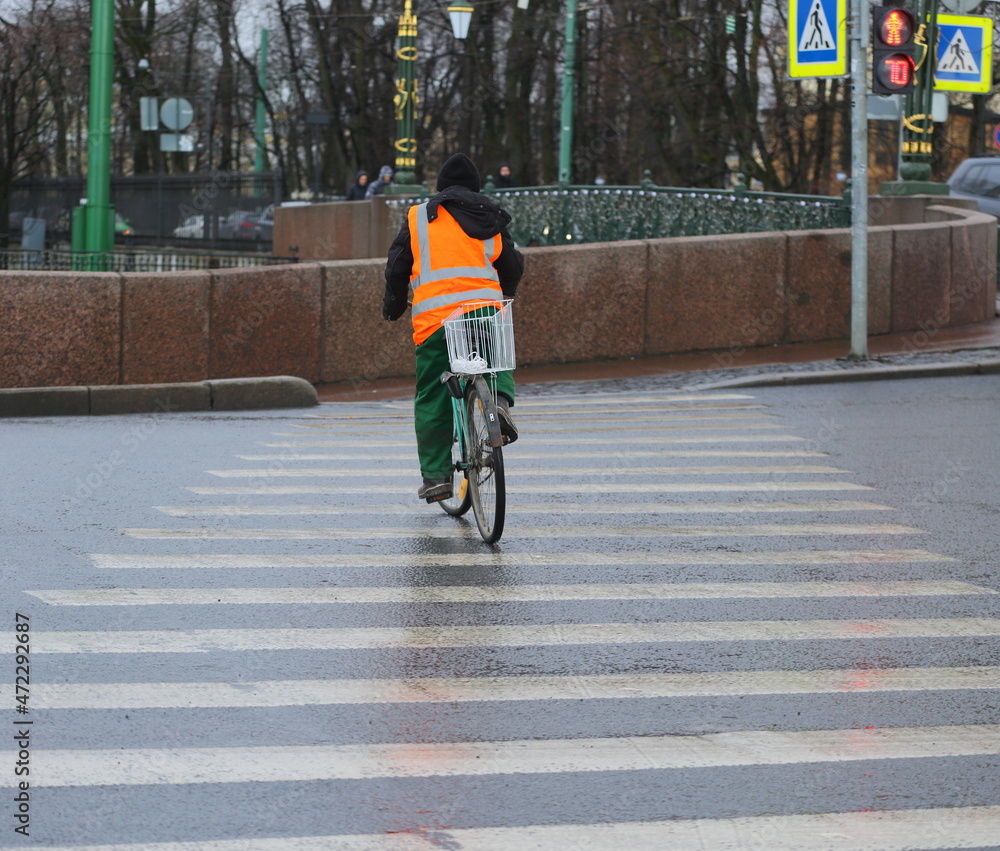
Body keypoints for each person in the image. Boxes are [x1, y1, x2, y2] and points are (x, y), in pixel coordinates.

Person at [382, 152, 524, 502]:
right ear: (476, 189)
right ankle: (499, 405)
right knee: (495, 360)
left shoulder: (419, 217)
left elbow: (397, 267)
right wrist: (505, 293)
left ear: (440, 189)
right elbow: (513, 263)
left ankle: (436, 477)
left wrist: (394, 307)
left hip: (436, 320)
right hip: (484, 312)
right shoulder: (491, 216)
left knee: (432, 394)